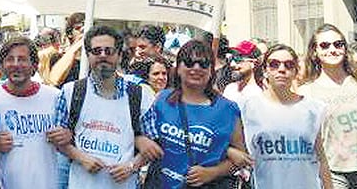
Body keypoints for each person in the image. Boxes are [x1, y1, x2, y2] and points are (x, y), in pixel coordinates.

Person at [53, 25, 155, 189]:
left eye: (109, 51)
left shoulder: (140, 96)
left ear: (120, 55)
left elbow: (152, 145)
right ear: (88, 55)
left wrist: (131, 166)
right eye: (96, 51)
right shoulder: (70, 92)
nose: (102, 56)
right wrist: (81, 157)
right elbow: (58, 141)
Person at [141, 39, 246, 189]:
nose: (196, 68)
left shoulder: (228, 109)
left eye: (203, 64)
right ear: (178, 68)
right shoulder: (161, 99)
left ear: (211, 70)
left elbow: (241, 159)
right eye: (189, 62)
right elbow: (145, 139)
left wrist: (212, 172)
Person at [241, 44, 331, 189]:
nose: (281, 70)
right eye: (274, 64)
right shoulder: (247, 107)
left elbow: (321, 158)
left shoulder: (314, 108)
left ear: (296, 71)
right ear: (264, 70)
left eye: (289, 65)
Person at [0, 37, 62, 189]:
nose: (15, 65)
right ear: (2, 65)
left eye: (22, 59)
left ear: (34, 65)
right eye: (10, 59)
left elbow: (71, 138)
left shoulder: (55, 97)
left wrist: (66, 136)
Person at [298, 24, 357, 188]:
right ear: (314, 51)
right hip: (333, 172)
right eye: (324, 45)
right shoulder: (307, 93)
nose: (332, 49)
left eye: (338, 44)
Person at [47, 12, 84, 86]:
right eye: (78, 28)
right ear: (70, 34)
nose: (82, 31)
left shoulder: (95, 57)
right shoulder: (58, 57)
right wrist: (78, 44)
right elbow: (54, 79)